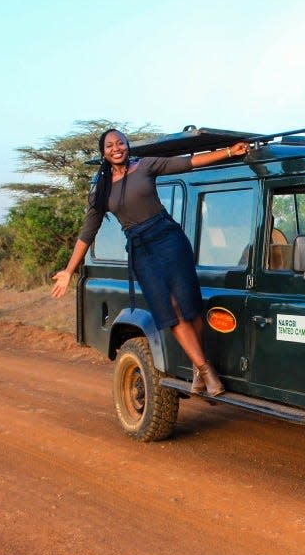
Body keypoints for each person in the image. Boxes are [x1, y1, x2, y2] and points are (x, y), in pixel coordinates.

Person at [51, 128, 248, 396]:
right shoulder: (101, 190)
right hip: (142, 251)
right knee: (171, 311)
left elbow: (187, 162)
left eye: (120, 142)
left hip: (169, 239)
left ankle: (195, 365)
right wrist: (68, 270)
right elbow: (88, 232)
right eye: (109, 145)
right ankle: (206, 370)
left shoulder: (145, 165)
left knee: (191, 307)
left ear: (127, 145)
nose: (116, 147)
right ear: (103, 152)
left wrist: (228, 152)